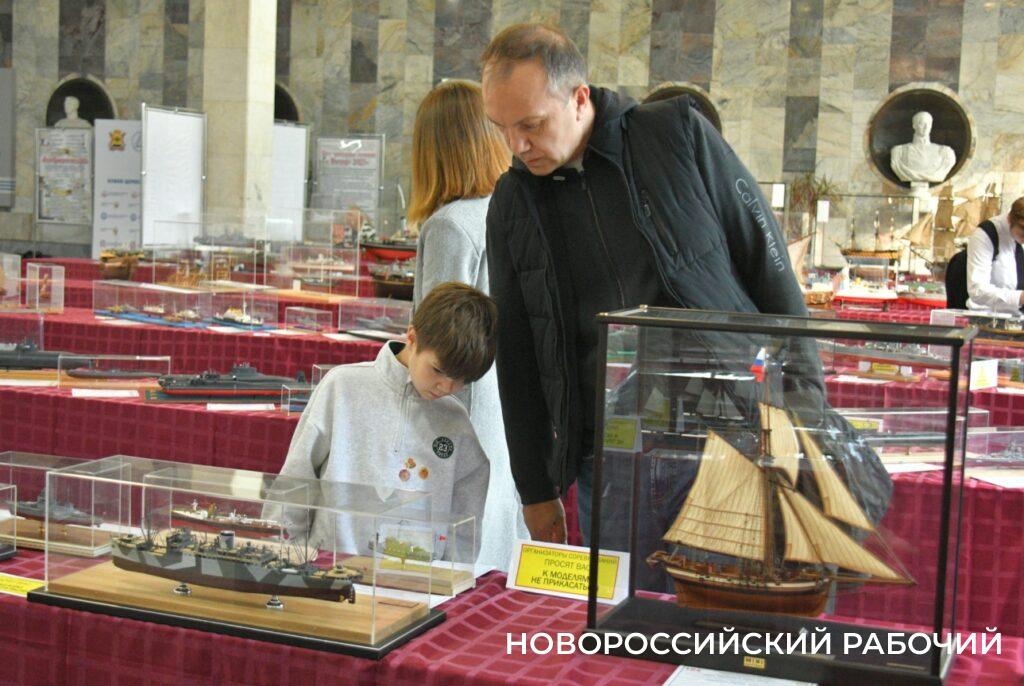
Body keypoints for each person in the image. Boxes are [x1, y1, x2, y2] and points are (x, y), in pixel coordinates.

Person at [480, 24, 813, 544]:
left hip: (730, 431)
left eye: (532, 124)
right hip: (611, 455)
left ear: (579, 98)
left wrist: (806, 406)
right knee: (621, 598)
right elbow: (518, 351)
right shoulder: (512, 202)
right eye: (501, 127)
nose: (516, 145)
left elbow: (768, 268)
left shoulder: (677, 134)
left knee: (728, 592)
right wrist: (536, 490)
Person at [277, 282, 493, 561]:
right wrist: (288, 551)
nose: (446, 387)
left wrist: (453, 573)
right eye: (438, 370)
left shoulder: (456, 421)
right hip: (328, 567)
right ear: (412, 338)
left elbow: (466, 518)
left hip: (417, 579)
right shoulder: (342, 387)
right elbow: (297, 478)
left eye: (461, 381)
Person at [408, 78, 527, 572]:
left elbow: (441, 341)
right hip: (500, 408)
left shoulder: (450, 225)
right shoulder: (505, 212)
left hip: (457, 409)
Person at [966, 196, 1024, 314]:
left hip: (1017, 317)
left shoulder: (1018, 237)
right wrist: (1020, 297)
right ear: (1010, 220)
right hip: (986, 316)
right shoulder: (986, 235)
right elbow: (977, 290)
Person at [889, 111, 955, 185]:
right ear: (914, 126)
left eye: (929, 124)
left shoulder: (945, 152)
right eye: (922, 123)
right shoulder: (899, 151)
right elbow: (896, 166)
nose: (926, 127)